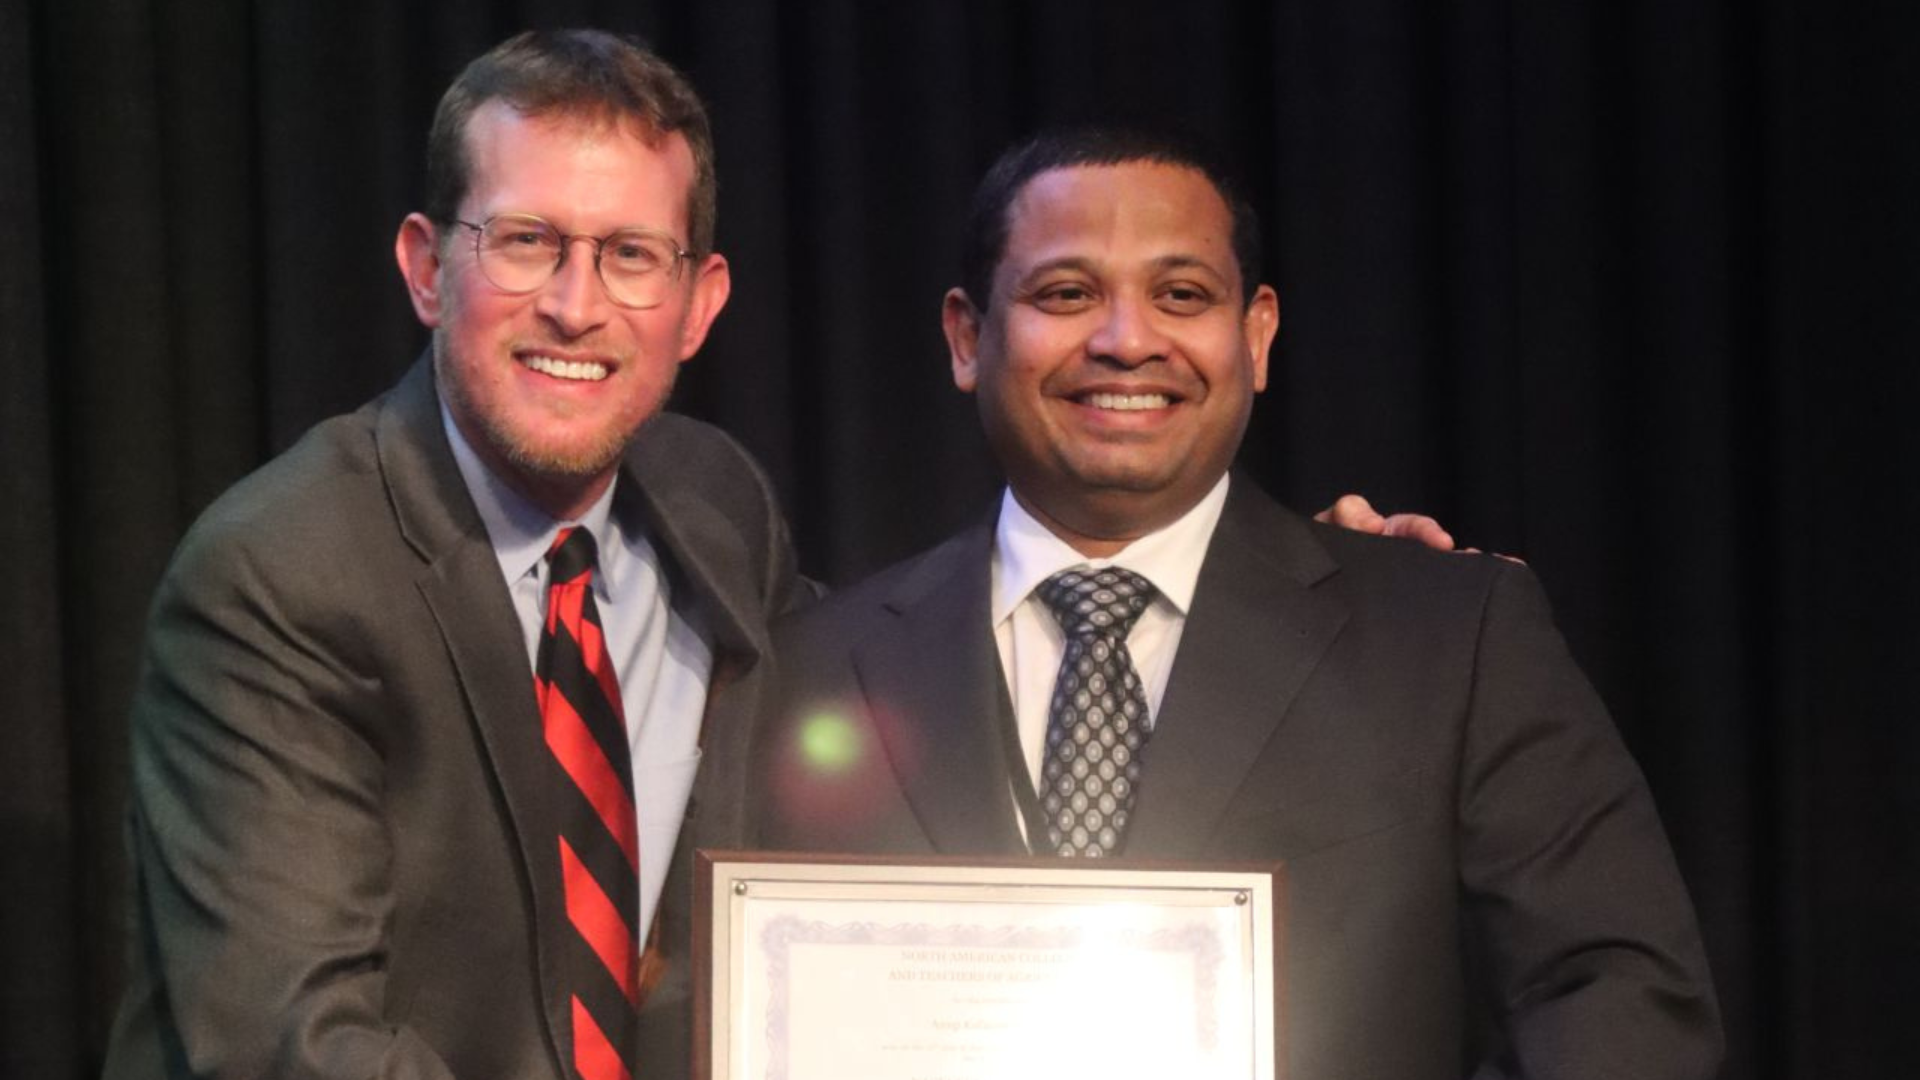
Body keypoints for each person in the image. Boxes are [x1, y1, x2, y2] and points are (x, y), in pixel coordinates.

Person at [98, 31, 1439, 1080]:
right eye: (528, 244)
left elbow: (890, 690)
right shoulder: (280, 574)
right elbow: (284, 1044)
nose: (577, 303)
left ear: (699, 303)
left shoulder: (710, 499)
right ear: (424, 266)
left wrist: (1294, 591)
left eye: (631, 255)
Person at [753, 129, 1723, 1079]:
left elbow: (1623, 994)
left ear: (1255, 335)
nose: (1128, 340)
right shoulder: (812, 668)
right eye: (1066, 293)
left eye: (1182, 295)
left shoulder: (1452, 638)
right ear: (968, 337)